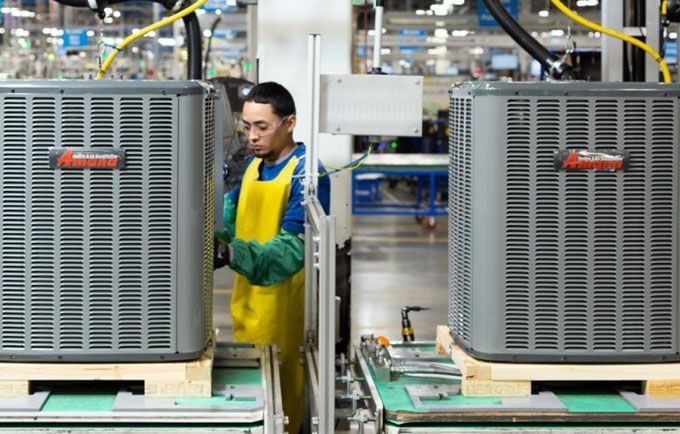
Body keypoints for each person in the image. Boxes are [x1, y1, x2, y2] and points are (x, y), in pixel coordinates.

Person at [214, 82, 330, 434]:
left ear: (289, 123)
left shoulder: (307, 174)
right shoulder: (251, 167)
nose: (252, 136)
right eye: (247, 127)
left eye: (262, 127)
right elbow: (226, 220)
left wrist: (232, 253)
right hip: (247, 301)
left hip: (286, 309)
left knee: (284, 400)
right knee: (254, 397)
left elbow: (291, 250)